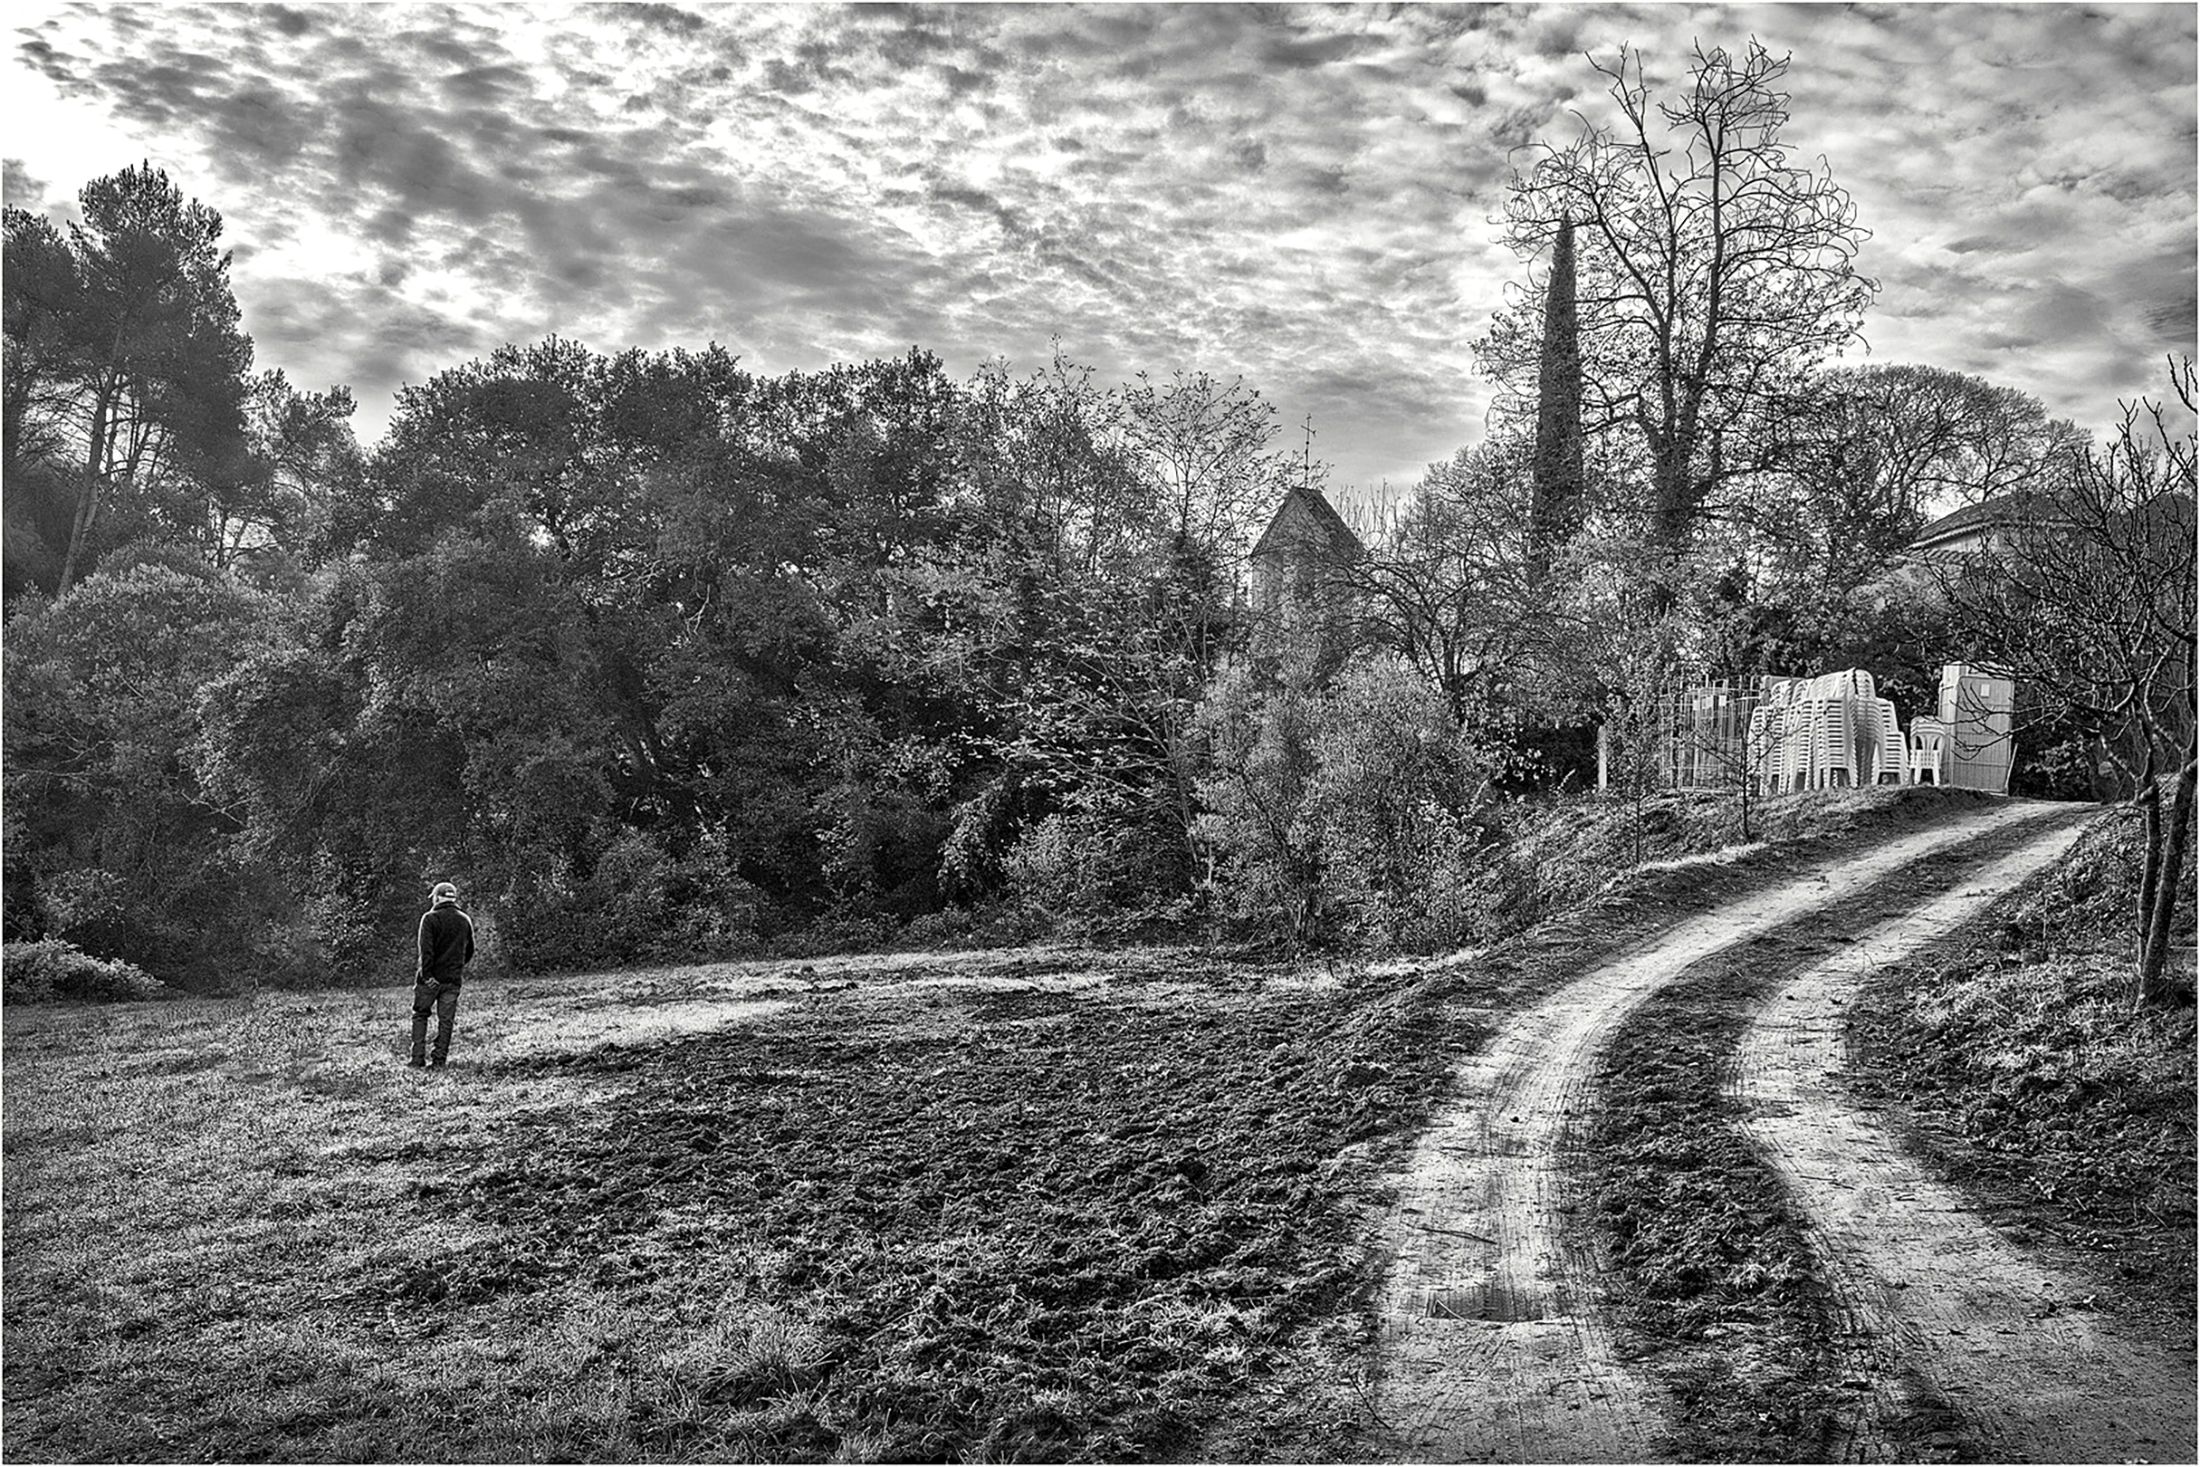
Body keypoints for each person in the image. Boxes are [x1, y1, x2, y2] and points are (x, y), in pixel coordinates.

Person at [409, 881, 476, 1068]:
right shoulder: (465, 920)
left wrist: (427, 976)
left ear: (437, 897)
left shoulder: (430, 918)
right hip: (453, 979)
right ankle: (439, 1060)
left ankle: (417, 1058)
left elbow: (426, 952)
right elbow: (470, 950)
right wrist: (456, 967)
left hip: (430, 979)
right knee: (446, 1021)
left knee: (420, 1015)